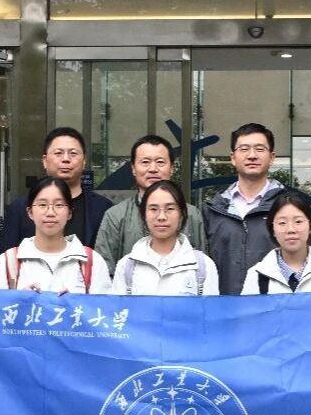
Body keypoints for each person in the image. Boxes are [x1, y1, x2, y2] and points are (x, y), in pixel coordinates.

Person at [95, 134, 206, 269]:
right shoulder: (115, 215)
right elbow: (105, 269)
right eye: (145, 162)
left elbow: (202, 265)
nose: (153, 169)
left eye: (160, 162)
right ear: (133, 169)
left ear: (172, 168)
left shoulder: (191, 214)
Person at [0, 128, 113, 253]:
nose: (66, 159)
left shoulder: (104, 209)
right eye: (58, 153)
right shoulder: (19, 208)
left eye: (73, 153)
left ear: (84, 161)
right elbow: (7, 257)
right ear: (45, 161)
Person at [0, 178, 113, 293]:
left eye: (59, 205)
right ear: (30, 212)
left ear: (70, 213)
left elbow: (102, 306)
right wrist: (21, 299)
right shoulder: (9, 260)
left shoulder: (91, 261)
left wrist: (74, 301)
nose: (50, 213)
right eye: (42, 205)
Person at [205, 123, 286, 294]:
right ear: (233, 157)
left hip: (272, 304)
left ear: (272, 157)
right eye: (244, 149)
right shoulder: (213, 210)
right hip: (223, 305)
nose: (252, 155)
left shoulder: (287, 208)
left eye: (259, 149)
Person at [112, 179, 218, 295]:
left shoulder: (203, 266)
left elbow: (210, 306)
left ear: (182, 213)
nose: (161, 217)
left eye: (170, 209)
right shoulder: (126, 266)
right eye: (153, 209)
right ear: (143, 214)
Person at [240, 190, 311, 294]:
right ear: (273, 229)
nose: (291, 229)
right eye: (282, 223)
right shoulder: (256, 275)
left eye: (298, 221)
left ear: (310, 226)